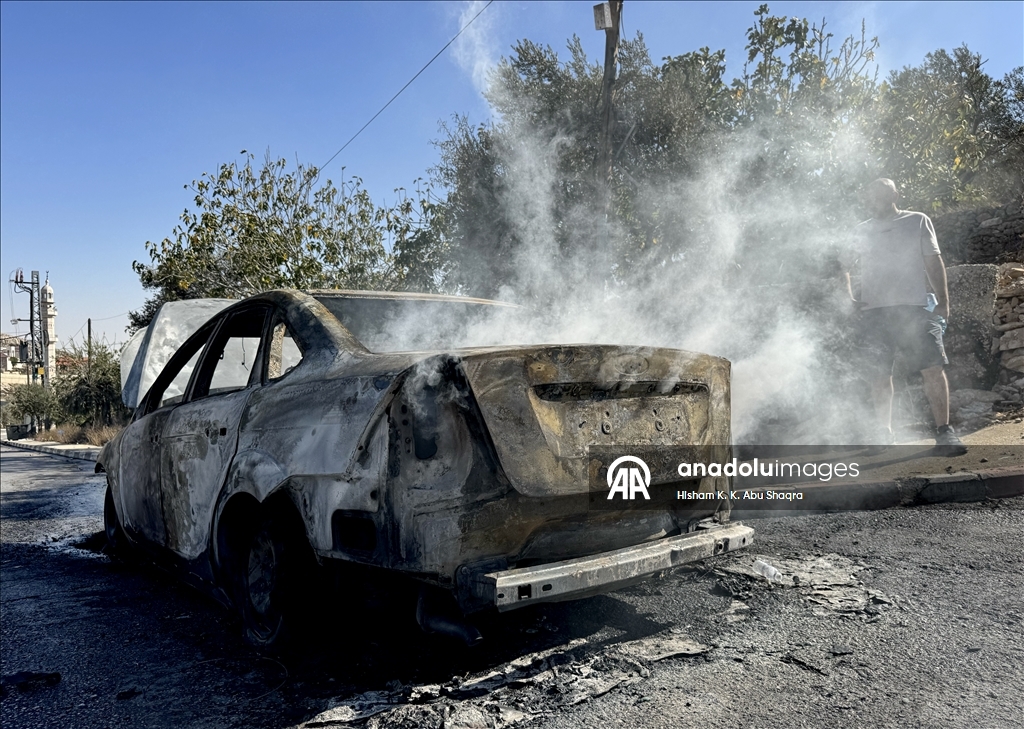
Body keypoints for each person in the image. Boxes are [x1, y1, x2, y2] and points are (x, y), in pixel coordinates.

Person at [842, 178, 967, 454]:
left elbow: (933, 260)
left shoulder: (917, 220)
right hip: (874, 312)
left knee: (933, 368)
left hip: (915, 308)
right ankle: (884, 434)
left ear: (895, 195)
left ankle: (944, 432)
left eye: (883, 192)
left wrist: (944, 301)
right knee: (878, 375)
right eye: (873, 193)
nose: (877, 197)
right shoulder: (860, 231)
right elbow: (843, 266)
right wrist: (849, 299)